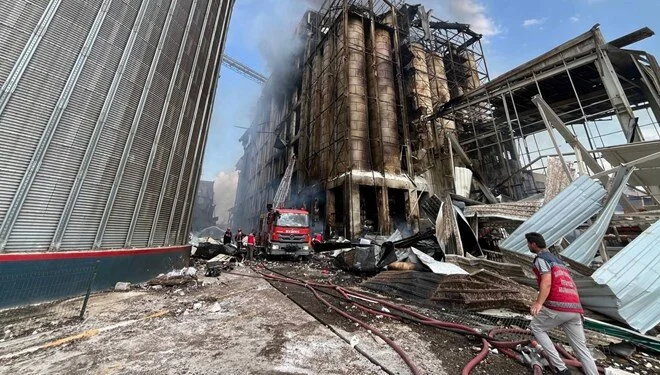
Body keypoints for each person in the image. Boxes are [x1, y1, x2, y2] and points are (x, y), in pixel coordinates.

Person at [525, 232, 598, 375]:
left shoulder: (541, 259)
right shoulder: (558, 261)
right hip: (575, 308)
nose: (528, 246)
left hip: (558, 305)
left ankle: (561, 368)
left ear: (533, 244)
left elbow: (547, 282)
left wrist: (539, 303)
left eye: (528, 243)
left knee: (536, 327)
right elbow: (571, 284)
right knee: (581, 348)